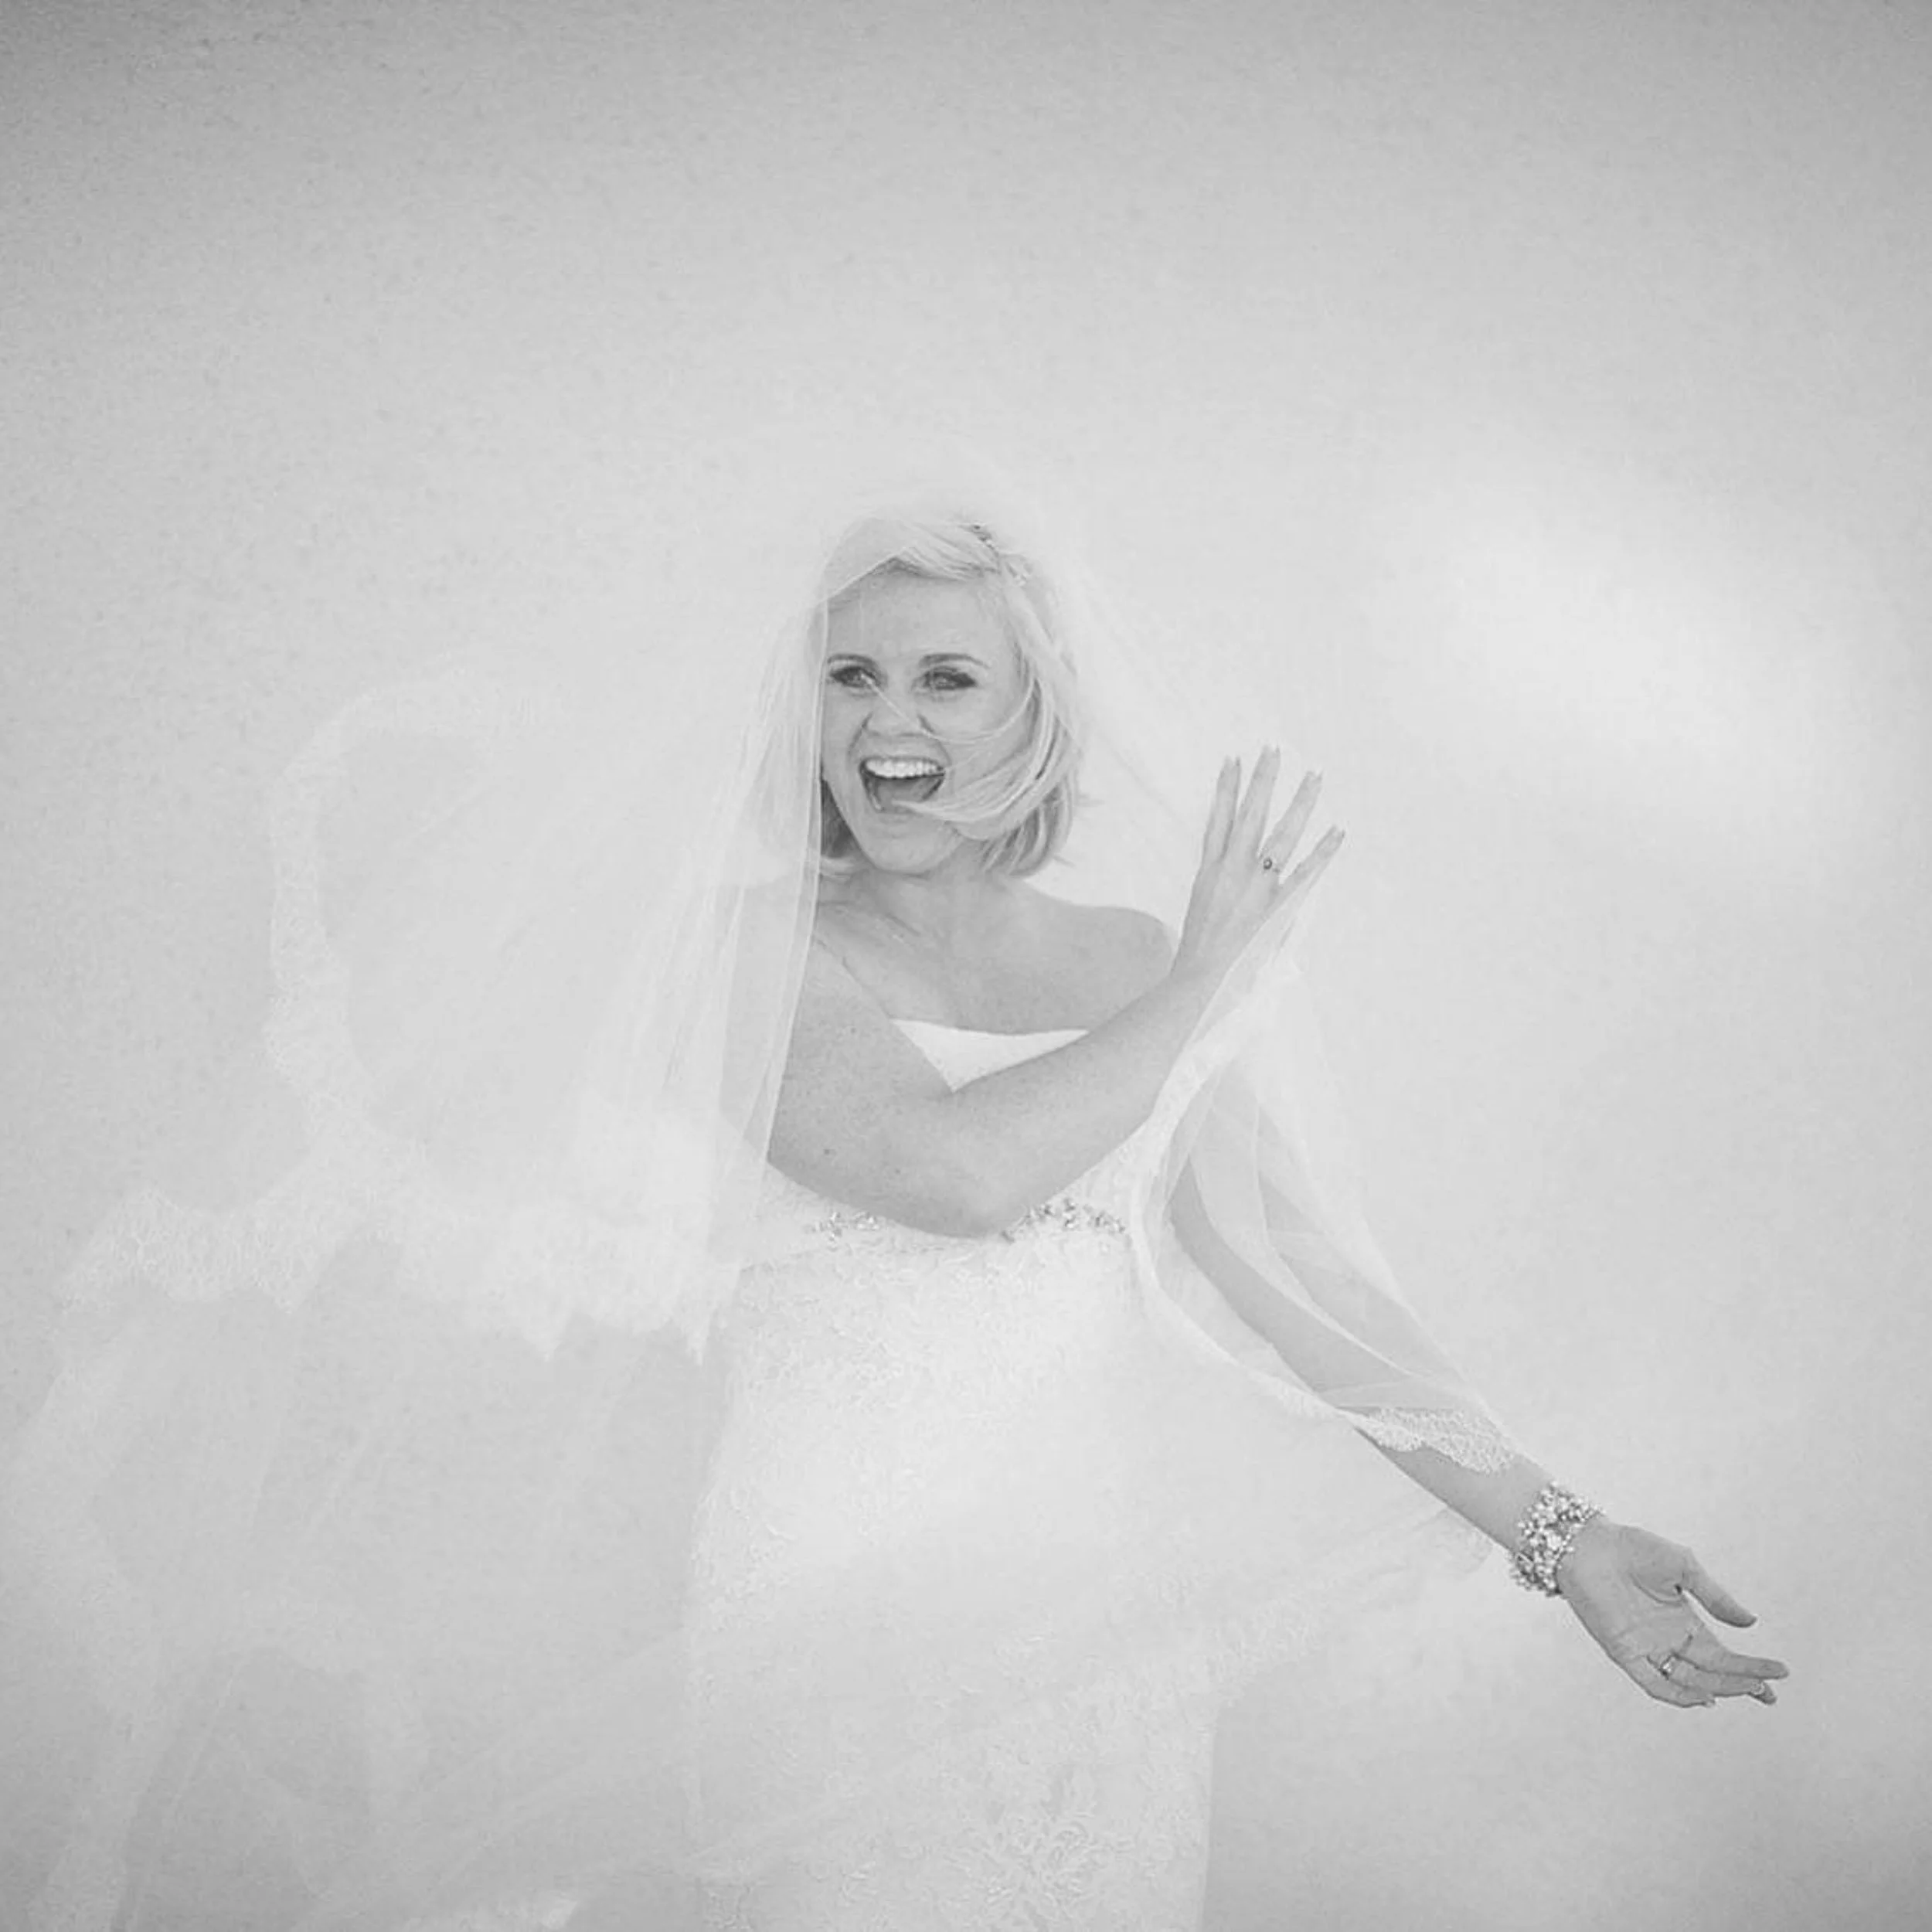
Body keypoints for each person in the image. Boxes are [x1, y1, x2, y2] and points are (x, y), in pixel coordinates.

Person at [0, 491, 1784, 1931]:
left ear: (1030, 711)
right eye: (851, 676)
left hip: (1090, 1620)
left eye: (944, 676)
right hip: (824, 1596)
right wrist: (1206, 989)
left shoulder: (1119, 956)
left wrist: (1560, 1538)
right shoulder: (761, 945)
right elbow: (953, 1174)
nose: (888, 720)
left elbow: (1309, 1289)